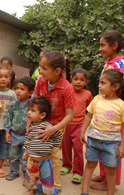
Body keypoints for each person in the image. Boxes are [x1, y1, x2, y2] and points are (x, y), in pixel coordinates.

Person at [34, 50, 76, 194]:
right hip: (42, 122)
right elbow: (36, 103)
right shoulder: (40, 81)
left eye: (44, 68)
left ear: (57, 71)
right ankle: (40, 182)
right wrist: (32, 122)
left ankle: (55, 186)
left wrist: (54, 129)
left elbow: (70, 115)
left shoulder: (67, 88)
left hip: (58, 125)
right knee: (39, 152)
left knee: (53, 155)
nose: (40, 70)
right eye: (40, 66)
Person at [80, 69, 124, 195]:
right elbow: (88, 116)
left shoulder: (121, 105)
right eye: (99, 82)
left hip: (112, 143)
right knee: (90, 165)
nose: (99, 86)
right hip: (93, 140)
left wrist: (122, 146)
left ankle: (110, 193)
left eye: (103, 83)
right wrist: (82, 132)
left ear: (115, 87)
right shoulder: (97, 99)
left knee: (110, 170)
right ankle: (84, 191)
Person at [90, 30, 124, 191]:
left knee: (113, 148)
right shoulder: (109, 62)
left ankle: (110, 181)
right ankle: (104, 175)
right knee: (102, 143)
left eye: (103, 45)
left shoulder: (120, 64)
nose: (100, 49)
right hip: (104, 109)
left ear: (114, 45)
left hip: (115, 112)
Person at [23, 97, 62, 195]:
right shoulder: (31, 126)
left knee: (47, 178)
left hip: (45, 161)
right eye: (29, 110)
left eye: (32, 111)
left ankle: (46, 192)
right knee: (31, 177)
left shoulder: (47, 126)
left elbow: (58, 135)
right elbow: (28, 139)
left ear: (42, 115)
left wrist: (53, 146)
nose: (29, 113)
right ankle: (32, 190)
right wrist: (26, 151)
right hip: (32, 160)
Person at [60, 68, 93, 184]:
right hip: (66, 124)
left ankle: (78, 172)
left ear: (86, 82)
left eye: (82, 80)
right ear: (71, 80)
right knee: (65, 146)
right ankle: (66, 165)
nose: (78, 82)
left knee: (78, 149)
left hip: (79, 125)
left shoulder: (88, 94)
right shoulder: (66, 91)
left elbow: (91, 109)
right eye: (76, 79)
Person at [4, 77, 35, 181]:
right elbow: (8, 117)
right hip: (14, 134)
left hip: (27, 136)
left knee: (25, 156)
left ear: (30, 92)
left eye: (22, 89)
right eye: (16, 88)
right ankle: (14, 171)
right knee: (12, 155)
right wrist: (7, 132)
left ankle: (27, 174)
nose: (18, 91)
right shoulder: (13, 104)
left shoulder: (33, 106)